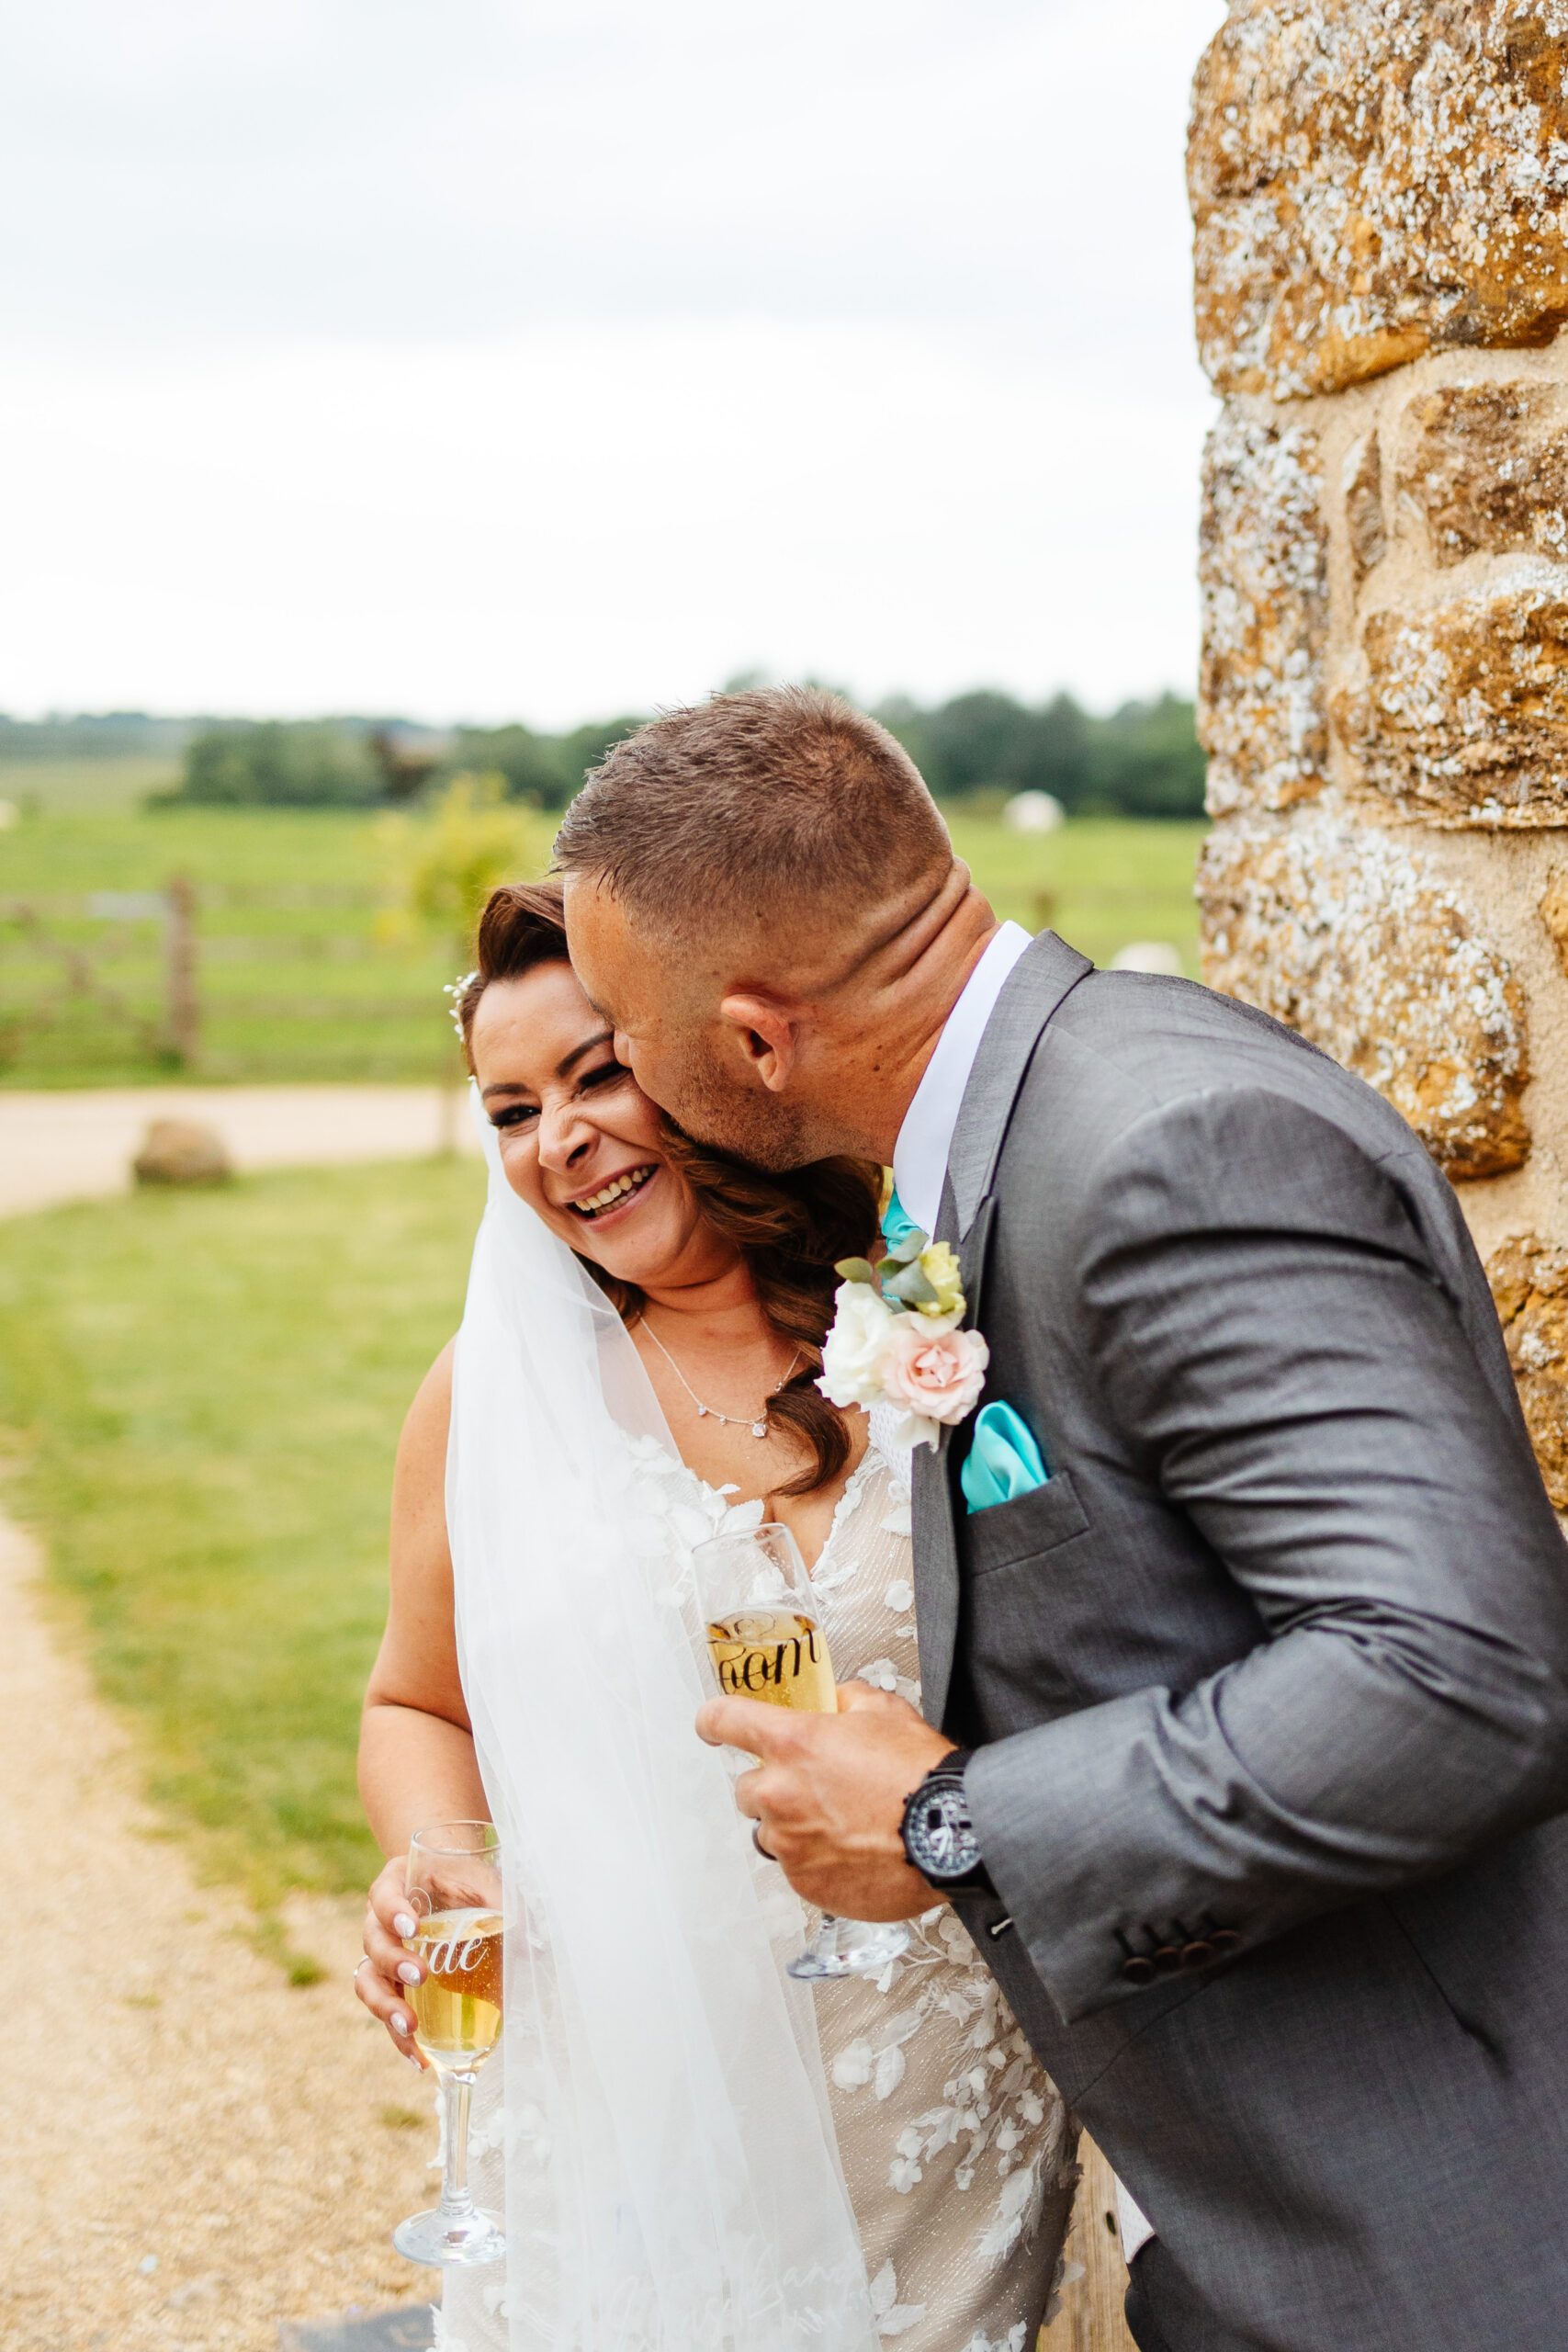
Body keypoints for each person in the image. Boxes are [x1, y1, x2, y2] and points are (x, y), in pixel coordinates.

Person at [557, 684, 1568, 2352]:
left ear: (752, 1034)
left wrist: (956, 1822)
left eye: (622, 1024)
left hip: (1441, 2229)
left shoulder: (1169, 1149)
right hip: (1256, 2217)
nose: (629, 1083)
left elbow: (1457, 1677)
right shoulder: (1020, 1137)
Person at [354, 880, 1073, 2352]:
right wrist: (436, 1860)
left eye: (594, 1073)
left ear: (697, 1056)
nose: (558, 1140)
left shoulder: (928, 1302)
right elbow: (416, 1702)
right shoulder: (491, 1401)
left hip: (952, 2060)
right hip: (648, 2084)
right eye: (509, 1109)